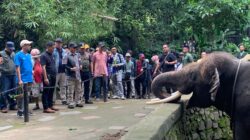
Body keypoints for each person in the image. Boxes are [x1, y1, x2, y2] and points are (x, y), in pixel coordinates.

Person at [14, 40, 33, 117]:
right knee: (21, 95)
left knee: (27, 95)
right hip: (22, 79)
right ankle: (20, 111)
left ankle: (26, 110)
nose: (29, 46)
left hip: (29, 78)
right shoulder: (18, 55)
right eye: (28, 45)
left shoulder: (29, 55)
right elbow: (17, 68)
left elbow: (30, 66)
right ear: (23, 46)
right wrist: (19, 79)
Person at [40, 41, 59, 113]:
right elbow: (43, 67)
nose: (53, 49)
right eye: (52, 47)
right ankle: (45, 107)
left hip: (53, 76)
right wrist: (45, 78)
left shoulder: (51, 55)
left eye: (54, 48)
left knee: (51, 91)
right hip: (48, 76)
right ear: (48, 47)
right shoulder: (43, 55)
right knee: (46, 91)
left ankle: (50, 105)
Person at [66, 42, 84, 109]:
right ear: (70, 48)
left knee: (79, 89)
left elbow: (79, 61)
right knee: (71, 89)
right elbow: (64, 65)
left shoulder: (78, 55)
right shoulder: (66, 55)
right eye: (74, 47)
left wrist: (81, 65)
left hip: (78, 74)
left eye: (76, 47)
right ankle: (70, 102)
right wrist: (70, 69)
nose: (75, 49)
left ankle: (78, 101)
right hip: (71, 75)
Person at [0, 41, 17, 113]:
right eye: (10, 49)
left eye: (12, 49)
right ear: (6, 47)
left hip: (13, 74)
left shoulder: (13, 53)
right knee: (4, 91)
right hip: (5, 75)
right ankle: (3, 106)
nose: (11, 50)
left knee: (13, 91)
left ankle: (12, 105)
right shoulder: (1, 54)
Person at [53, 38, 68, 105]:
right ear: (55, 43)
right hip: (56, 71)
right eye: (57, 42)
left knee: (63, 86)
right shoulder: (53, 51)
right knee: (54, 86)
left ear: (62, 43)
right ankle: (53, 99)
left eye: (60, 42)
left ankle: (63, 99)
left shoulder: (64, 51)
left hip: (63, 71)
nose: (58, 44)